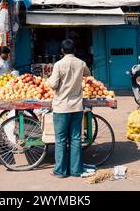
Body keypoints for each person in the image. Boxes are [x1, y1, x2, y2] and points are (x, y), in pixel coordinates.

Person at [48, 38, 91, 178]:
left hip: (61, 107)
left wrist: (48, 80)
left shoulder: (58, 65)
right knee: (75, 138)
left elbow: (53, 85)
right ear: (74, 50)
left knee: (60, 140)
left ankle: (60, 171)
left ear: (62, 51)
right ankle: (76, 170)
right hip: (77, 106)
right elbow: (88, 74)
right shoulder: (81, 63)